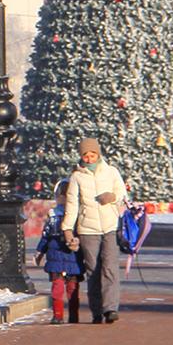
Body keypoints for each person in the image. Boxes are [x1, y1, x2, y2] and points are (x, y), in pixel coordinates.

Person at [61, 136, 129, 323]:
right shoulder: (76, 177)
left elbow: (122, 193)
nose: (89, 158)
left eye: (92, 154)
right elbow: (72, 204)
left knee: (110, 267)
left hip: (110, 226)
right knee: (93, 270)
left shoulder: (111, 172)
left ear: (98, 154)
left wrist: (112, 196)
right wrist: (67, 229)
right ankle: (97, 310)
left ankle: (110, 309)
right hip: (87, 230)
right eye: (86, 155)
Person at [33, 178, 84, 323]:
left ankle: (69, 316)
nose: (64, 199)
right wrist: (39, 252)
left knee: (71, 288)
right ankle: (59, 315)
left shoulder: (76, 215)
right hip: (60, 256)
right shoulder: (54, 216)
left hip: (71, 257)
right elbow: (46, 236)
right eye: (61, 195)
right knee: (59, 288)